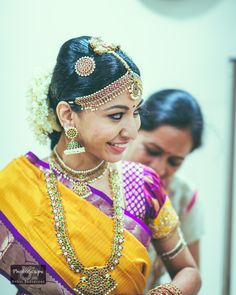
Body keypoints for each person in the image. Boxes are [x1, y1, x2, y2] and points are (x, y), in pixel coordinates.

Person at [0, 36, 201, 295]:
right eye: (116, 115)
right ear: (68, 115)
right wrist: (49, 283)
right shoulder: (16, 187)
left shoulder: (143, 185)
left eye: (135, 113)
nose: (131, 132)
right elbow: (24, 269)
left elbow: (189, 271)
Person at [124, 89, 204, 290]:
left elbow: (189, 276)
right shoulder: (96, 178)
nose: (159, 169)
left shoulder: (183, 198)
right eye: (152, 151)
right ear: (134, 128)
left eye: (175, 161)